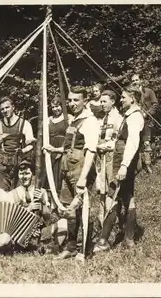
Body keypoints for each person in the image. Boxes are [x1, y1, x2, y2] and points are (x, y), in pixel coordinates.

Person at [50, 87, 100, 261]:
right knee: (70, 210)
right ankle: (71, 247)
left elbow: (91, 151)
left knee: (84, 208)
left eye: (76, 100)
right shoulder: (74, 120)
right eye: (70, 100)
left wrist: (83, 178)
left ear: (85, 101)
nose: (72, 103)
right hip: (67, 169)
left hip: (80, 170)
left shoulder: (90, 121)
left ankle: (85, 250)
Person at [94, 85, 144, 252]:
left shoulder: (135, 117)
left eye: (123, 97)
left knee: (113, 196)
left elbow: (133, 143)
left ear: (133, 98)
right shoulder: (129, 116)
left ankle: (103, 241)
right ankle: (129, 239)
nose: (121, 100)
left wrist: (123, 166)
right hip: (121, 160)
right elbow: (119, 141)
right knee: (128, 197)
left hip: (124, 162)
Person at [0, 96, 35, 191]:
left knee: (20, 192)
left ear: (13, 107)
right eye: (2, 109)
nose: (5, 110)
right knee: (1, 192)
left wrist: (22, 150)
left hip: (19, 162)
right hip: (2, 162)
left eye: (7, 107)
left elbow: (31, 145)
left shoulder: (24, 124)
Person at [93, 90, 123, 225]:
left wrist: (107, 146)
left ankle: (114, 216)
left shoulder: (118, 118)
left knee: (112, 185)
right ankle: (102, 216)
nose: (102, 104)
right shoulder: (100, 118)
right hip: (100, 156)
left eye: (105, 101)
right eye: (101, 101)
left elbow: (118, 139)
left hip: (112, 155)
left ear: (113, 101)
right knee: (101, 187)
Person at [42, 95, 68, 210]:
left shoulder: (68, 118)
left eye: (57, 106)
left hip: (61, 149)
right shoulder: (48, 120)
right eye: (53, 107)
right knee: (49, 175)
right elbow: (43, 136)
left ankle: (59, 202)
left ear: (62, 106)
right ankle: (49, 203)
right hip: (50, 150)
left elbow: (70, 137)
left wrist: (60, 149)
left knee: (59, 176)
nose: (55, 109)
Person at [131, 74, 158, 174]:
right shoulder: (131, 94)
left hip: (146, 120)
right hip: (135, 120)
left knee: (146, 143)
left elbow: (155, 104)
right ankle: (138, 167)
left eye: (136, 80)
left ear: (141, 80)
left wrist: (147, 114)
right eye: (133, 81)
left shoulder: (149, 91)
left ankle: (148, 165)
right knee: (135, 143)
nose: (135, 82)